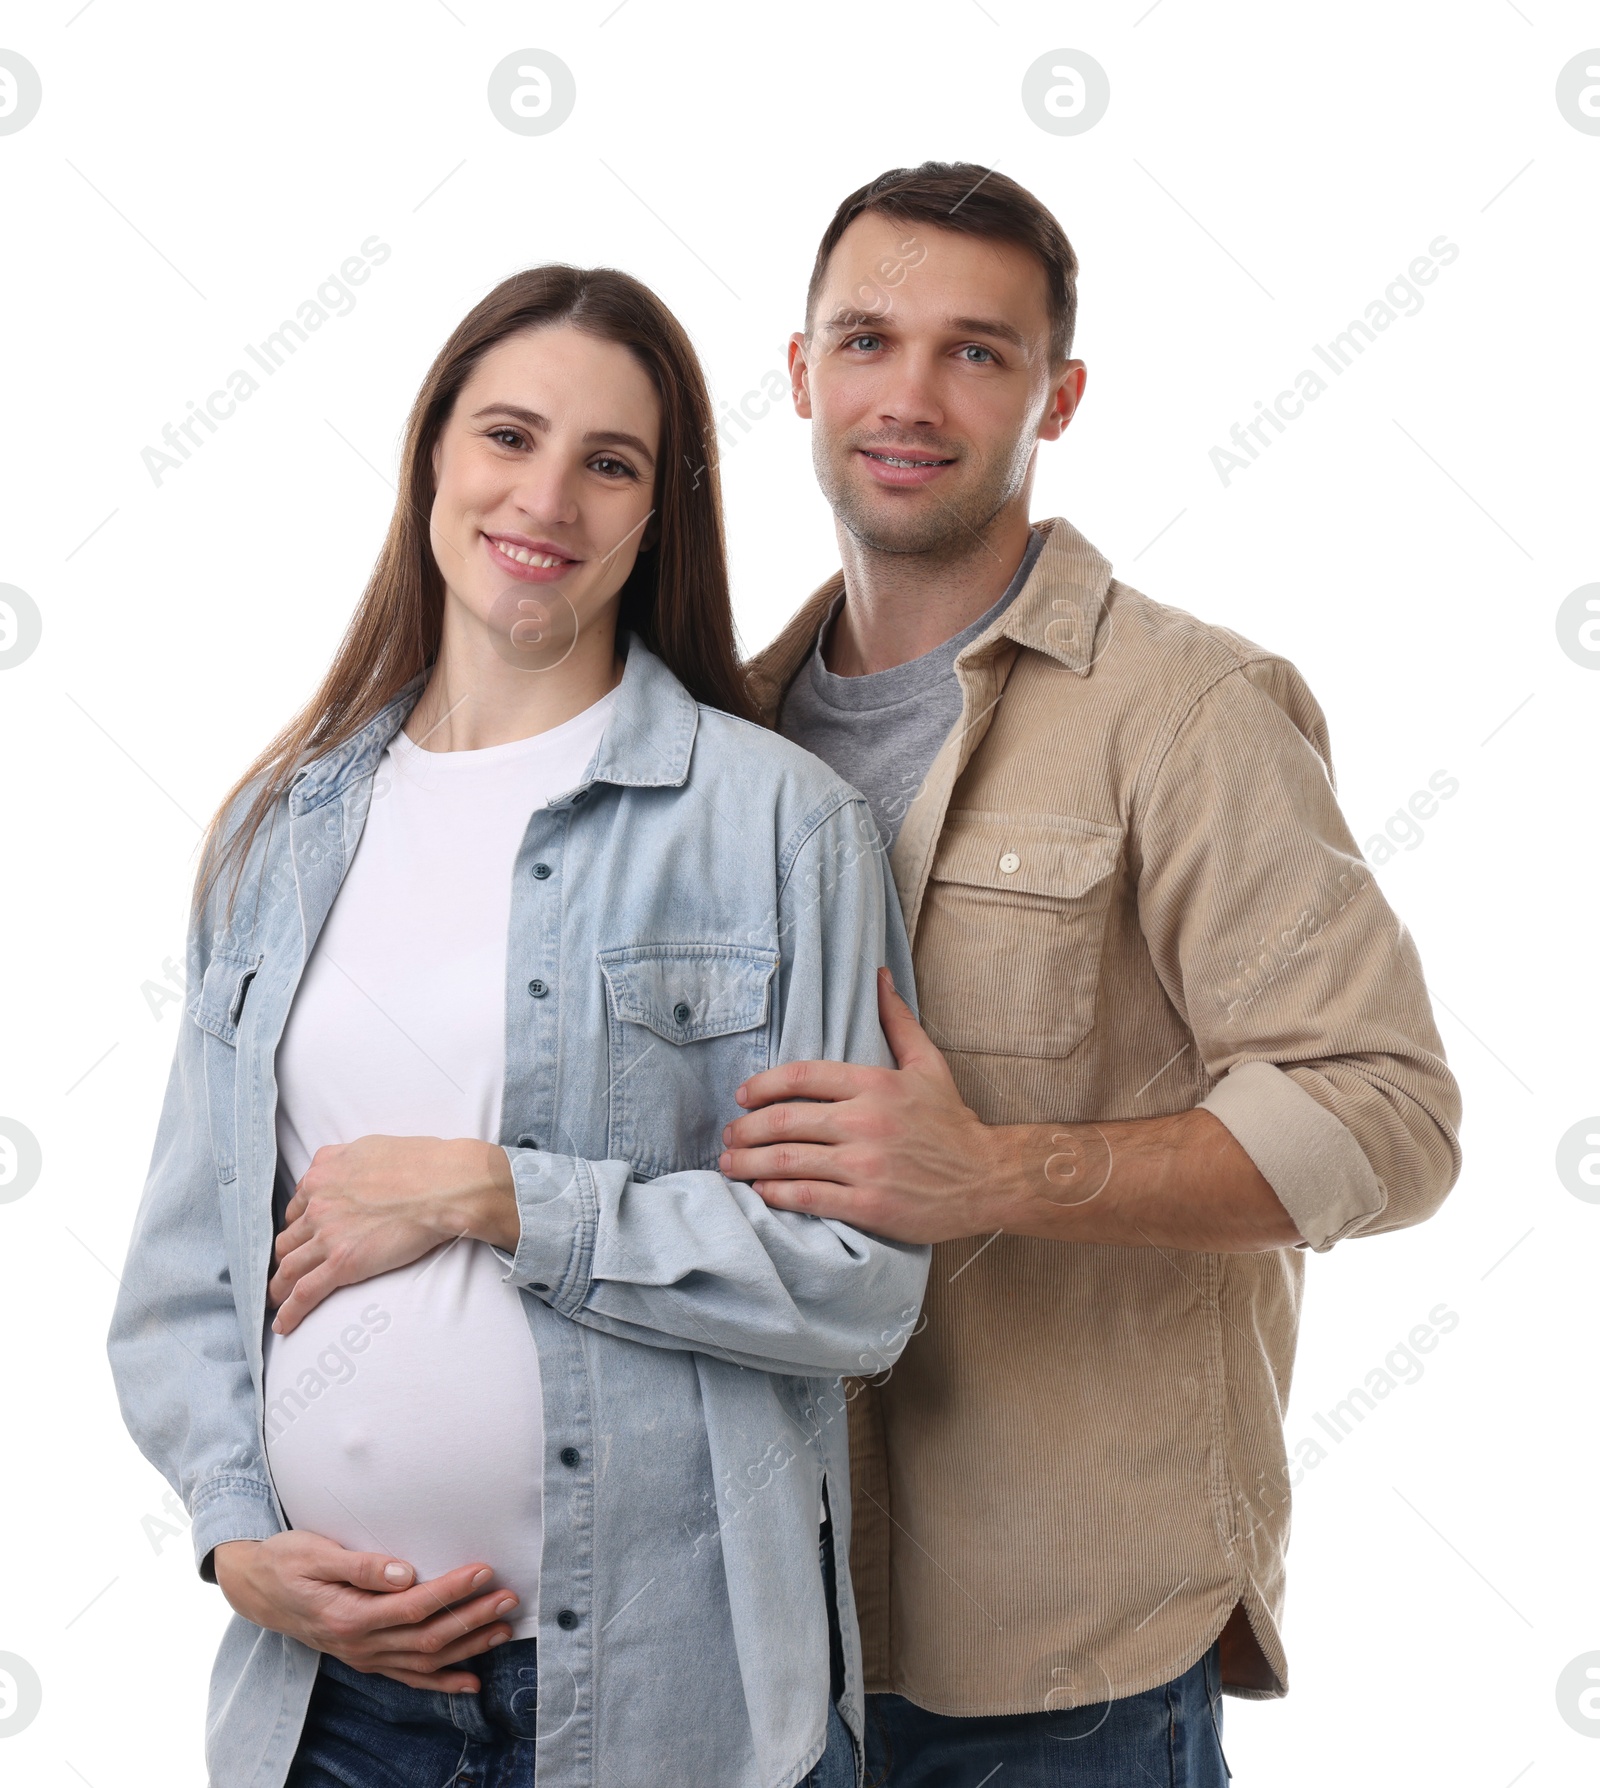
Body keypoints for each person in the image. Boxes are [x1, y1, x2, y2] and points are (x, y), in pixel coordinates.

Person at [106, 263, 928, 1788]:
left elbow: (858, 1287)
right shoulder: (278, 834)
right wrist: (233, 1539)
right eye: (508, 436)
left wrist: (493, 1196)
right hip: (330, 1712)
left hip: (667, 1710)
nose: (544, 497)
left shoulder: (777, 830)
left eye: (608, 463)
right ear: (434, 454)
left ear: (654, 515)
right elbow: (184, 1270)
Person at [729, 163, 1464, 1787]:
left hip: (1058, 1672)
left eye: (977, 354)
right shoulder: (715, 731)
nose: (910, 396)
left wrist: (995, 1171)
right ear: (797, 372)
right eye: (868, 341)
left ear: (1057, 397)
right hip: (744, 1636)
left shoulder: (1189, 711)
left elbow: (1390, 1118)